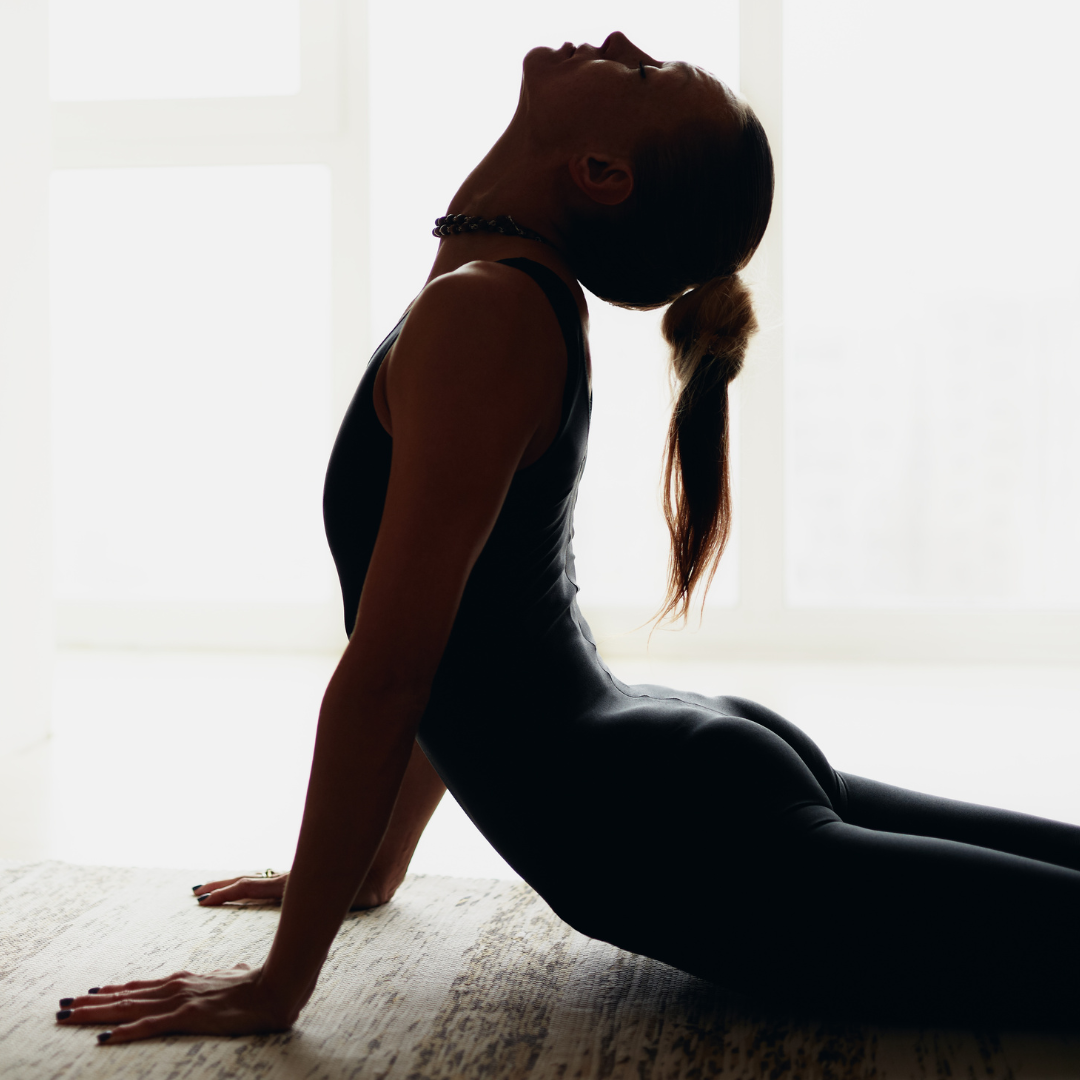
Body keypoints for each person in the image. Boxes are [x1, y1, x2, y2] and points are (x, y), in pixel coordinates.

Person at [57, 32, 1080, 1041]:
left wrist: (279, 985)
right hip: (675, 783)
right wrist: (371, 863)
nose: (623, 38)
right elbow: (467, 627)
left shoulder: (485, 314)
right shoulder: (497, 299)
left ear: (600, 172)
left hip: (669, 829)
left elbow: (392, 674)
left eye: (638, 73)